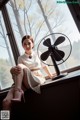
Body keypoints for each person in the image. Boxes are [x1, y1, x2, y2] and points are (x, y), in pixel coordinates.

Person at [2, 35, 53, 110]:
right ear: (22, 46)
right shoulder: (20, 58)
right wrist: (12, 70)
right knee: (6, 101)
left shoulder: (38, 53)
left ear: (32, 44)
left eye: (29, 43)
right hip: (23, 82)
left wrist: (51, 75)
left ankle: (18, 92)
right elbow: (18, 73)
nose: (27, 45)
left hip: (36, 78)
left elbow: (44, 66)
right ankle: (4, 118)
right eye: (24, 44)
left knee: (20, 66)